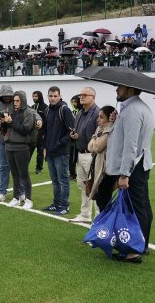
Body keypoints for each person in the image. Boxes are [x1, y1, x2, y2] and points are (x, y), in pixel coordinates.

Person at [96, 85, 154, 263]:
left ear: (129, 90)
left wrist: (124, 175)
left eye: (119, 88)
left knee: (136, 207)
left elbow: (131, 146)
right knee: (141, 205)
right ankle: (141, 244)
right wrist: (115, 122)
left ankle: (135, 250)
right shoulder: (136, 108)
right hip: (138, 165)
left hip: (133, 167)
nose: (116, 90)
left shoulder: (133, 111)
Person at [41, 86, 75, 215]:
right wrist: (45, 147)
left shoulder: (64, 110)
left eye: (55, 96)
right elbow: (45, 131)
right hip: (50, 152)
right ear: (48, 96)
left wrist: (59, 143)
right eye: (50, 96)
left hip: (61, 152)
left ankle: (65, 206)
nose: (53, 98)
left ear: (60, 96)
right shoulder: (47, 110)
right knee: (55, 181)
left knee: (63, 180)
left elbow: (71, 130)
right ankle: (56, 204)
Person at [0, 91, 36, 209]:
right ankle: (16, 198)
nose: (15, 103)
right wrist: (3, 123)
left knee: (24, 175)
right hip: (9, 146)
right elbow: (7, 129)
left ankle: (29, 200)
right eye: (14, 101)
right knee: (14, 175)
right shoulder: (13, 112)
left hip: (21, 147)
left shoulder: (29, 113)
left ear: (23, 100)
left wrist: (11, 122)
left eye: (17, 101)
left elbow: (25, 129)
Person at [68, 87, 100, 223]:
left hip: (92, 155)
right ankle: (85, 214)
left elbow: (100, 134)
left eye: (84, 94)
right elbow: (77, 131)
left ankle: (99, 217)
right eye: (81, 94)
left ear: (93, 97)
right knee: (83, 186)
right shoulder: (80, 113)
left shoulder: (98, 113)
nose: (81, 96)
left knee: (95, 187)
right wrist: (73, 135)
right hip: (80, 153)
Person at [88, 105, 116, 210]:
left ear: (110, 118)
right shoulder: (99, 129)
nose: (98, 119)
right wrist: (95, 140)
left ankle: (106, 225)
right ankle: (103, 223)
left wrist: (94, 139)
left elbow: (97, 147)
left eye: (101, 117)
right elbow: (90, 147)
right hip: (97, 168)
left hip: (106, 172)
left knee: (104, 201)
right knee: (100, 200)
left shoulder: (110, 131)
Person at [30, 91, 47, 174]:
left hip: (41, 133)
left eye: (36, 96)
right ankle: (24, 166)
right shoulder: (32, 107)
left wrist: (44, 133)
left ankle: (39, 168)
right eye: (33, 96)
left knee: (40, 152)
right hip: (32, 134)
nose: (34, 98)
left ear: (40, 97)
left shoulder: (45, 107)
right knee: (28, 151)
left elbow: (47, 122)